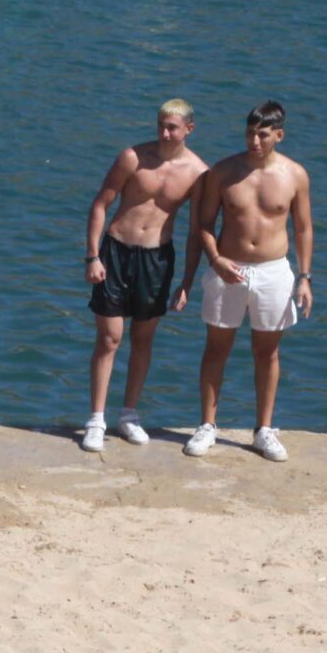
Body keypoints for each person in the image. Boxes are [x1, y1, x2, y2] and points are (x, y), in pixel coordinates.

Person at [180, 101, 313, 461]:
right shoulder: (223, 172)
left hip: (273, 270)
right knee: (216, 347)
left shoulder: (295, 175)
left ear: (278, 135)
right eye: (250, 133)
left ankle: (264, 429)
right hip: (229, 268)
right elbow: (204, 224)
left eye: (263, 134)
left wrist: (304, 277)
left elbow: (302, 227)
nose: (254, 140)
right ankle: (208, 425)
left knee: (267, 351)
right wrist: (216, 258)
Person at [80, 100, 207, 449]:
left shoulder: (198, 173)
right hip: (116, 252)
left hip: (157, 260)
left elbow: (197, 232)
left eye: (173, 127)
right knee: (109, 338)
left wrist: (187, 281)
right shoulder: (133, 158)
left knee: (143, 338)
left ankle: (129, 415)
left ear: (189, 130)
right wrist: (92, 256)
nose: (165, 133)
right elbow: (100, 205)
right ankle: (95, 419)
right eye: (161, 125)